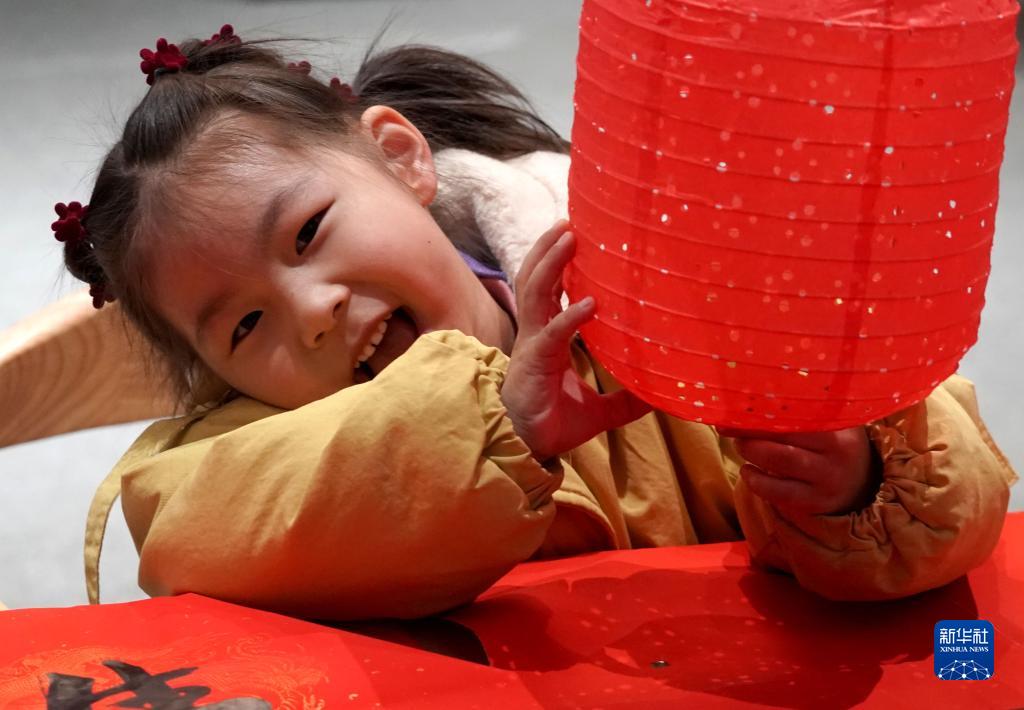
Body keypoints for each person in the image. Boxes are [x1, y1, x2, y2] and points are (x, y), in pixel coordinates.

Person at [58, 25, 1016, 620]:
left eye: (307, 232)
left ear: (400, 158)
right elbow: (183, 524)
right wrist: (493, 431)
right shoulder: (250, 443)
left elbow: (959, 518)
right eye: (242, 326)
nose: (311, 313)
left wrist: (856, 478)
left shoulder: (666, 294)